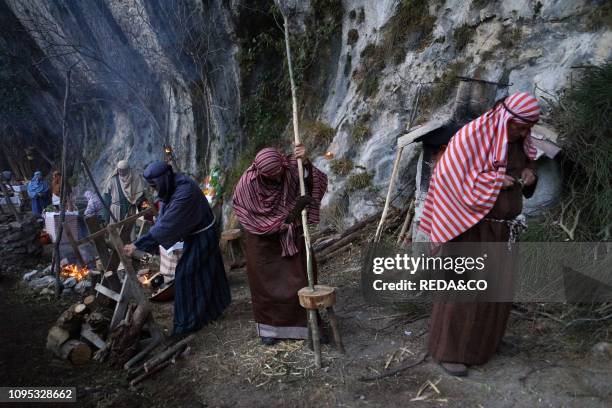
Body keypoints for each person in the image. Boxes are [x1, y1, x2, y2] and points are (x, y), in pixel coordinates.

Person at [419, 92, 540, 376]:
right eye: (519, 126)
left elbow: (529, 166)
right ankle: (450, 351)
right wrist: (494, 181)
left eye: (528, 128)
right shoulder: (472, 136)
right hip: (470, 229)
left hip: (503, 230)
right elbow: (448, 177)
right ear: (506, 117)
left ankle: (486, 344)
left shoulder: (520, 140)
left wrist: (530, 176)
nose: (523, 132)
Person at [233, 144, 328, 345]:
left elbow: (315, 182)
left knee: (301, 279)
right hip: (263, 244)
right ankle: (271, 330)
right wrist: (287, 217)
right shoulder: (247, 185)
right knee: (265, 286)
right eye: (271, 176)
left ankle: (308, 326)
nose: (277, 178)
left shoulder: (291, 167)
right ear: (260, 173)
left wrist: (307, 161)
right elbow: (250, 216)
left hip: (292, 238)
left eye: (279, 173)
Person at [123, 162, 231, 335]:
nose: (154, 190)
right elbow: (164, 211)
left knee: (185, 275)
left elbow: (167, 224)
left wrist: (138, 244)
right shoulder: (172, 184)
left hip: (203, 236)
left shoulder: (185, 191)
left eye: (154, 186)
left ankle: (187, 324)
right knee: (206, 272)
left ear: (162, 179)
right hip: (195, 235)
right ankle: (212, 311)